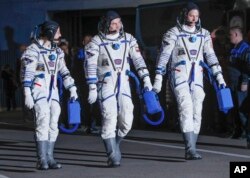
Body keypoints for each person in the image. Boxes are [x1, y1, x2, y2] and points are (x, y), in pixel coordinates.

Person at [153, 2, 226, 160]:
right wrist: (158, 77)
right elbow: (164, 56)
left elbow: (210, 56)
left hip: (197, 75)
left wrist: (218, 75)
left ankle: (192, 146)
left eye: (197, 16)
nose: (194, 19)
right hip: (179, 73)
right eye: (191, 15)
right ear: (184, 14)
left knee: (197, 110)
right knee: (186, 106)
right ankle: (190, 148)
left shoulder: (204, 34)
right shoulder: (173, 33)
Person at [84, 10, 152, 167]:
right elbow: (90, 65)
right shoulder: (96, 42)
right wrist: (92, 86)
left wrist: (146, 78)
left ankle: (115, 144)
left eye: (119, 22)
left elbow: (138, 60)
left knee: (127, 120)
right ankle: (112, 154)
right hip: (105, 85)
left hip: (124, 84)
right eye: (113, 23)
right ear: (107, 24)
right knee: (109, 118)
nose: (117, 25)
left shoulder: (128, 39)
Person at [21, 20, 78, 170]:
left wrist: (72, 87)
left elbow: (64, 71)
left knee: (53, 122)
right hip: (38, 89)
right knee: (43, 120)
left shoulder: (57, 51)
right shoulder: (33, 50)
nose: (60, 34)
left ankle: (49, 157)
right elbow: (28, 72)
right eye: (58, 31)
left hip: (52, 91)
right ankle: (41, 159)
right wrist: (27, 92)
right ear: (51, 32)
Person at [228, 26, 250, 148]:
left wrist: (245, 82)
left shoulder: (245, 48)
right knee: (235, 110)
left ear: (236, 34)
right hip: (233, 84)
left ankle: (248, 136)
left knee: (243, 111)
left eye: (230, 35)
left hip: (241, 85)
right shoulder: (234, 48)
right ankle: (238, 132)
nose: (229, 37)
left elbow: (248, 66)